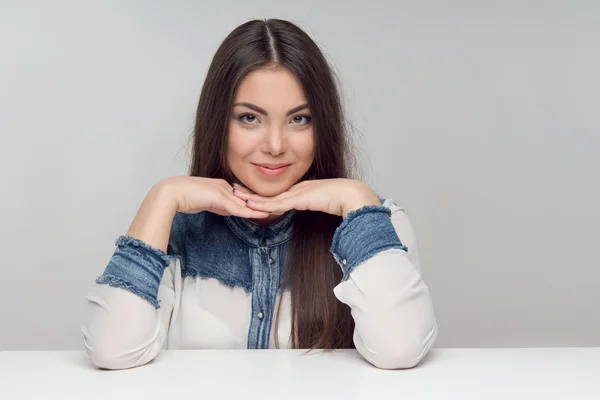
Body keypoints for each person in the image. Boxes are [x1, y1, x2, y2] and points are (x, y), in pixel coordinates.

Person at [82, 18, 438, 370]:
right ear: (217, 122)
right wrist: (162, 197)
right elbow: (113, 351)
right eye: (250, 118)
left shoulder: (374, 223)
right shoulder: (172, 229)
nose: (275, 145)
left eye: (299, 119)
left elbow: (400, 349)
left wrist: (357, 198)